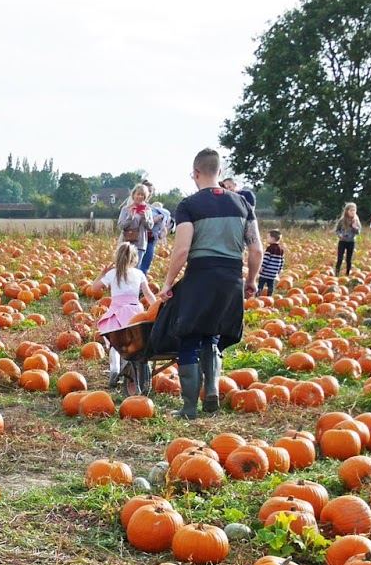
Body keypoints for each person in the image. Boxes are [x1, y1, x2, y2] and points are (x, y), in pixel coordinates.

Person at [154, 148, 261, 419]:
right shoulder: (243, 205)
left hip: (201, 275)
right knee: (212, 334)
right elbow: (257, 249)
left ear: (196, 173)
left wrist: (167, 283)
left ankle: (189, 408)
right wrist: (251, 281)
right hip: (231, 278)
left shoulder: (189, 205)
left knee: (189, 337)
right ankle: (211, 388)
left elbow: (181, 250)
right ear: (220, 173)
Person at [96, 239, 158, 386]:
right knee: (134, 343)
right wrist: (157, 308)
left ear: (117, 257)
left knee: (115, 343)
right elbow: (148, 294)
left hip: (117, 312)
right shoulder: (139, 273)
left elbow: (93, 289)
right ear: (135, 259)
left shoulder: (112, 274)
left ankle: (115, 369)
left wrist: (101, 274)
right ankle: (127, 366)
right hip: (135, 313)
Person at [117, 184, 155, 263]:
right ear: (133, 195)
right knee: (123, 267)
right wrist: (130, 218)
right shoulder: (126, 209)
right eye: (138, 194)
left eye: (142, 195)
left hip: (140, 243)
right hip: (126, 243)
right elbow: (120, 226)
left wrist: (145, 218)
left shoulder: (147, 210)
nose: (140, 197)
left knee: (136, 268)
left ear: (145, 197)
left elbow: (150, 227)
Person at [143, 198, 171, 274]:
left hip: (151, 239)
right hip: (142, 239)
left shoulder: (162, 216)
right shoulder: (151, 214)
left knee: (146, 262)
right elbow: (150, 223)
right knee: (141, 262)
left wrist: (162, 235)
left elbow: (163, 229)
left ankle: (142, 278)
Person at [334, 203, 360, 275]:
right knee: (340, 258)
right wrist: (340, 235)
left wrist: (355, 227)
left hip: (351, 242)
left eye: (354, 210)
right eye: (351, 210)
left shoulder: (356, 220)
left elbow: (358, 232)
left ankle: (347, 274)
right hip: (342, 241)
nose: (353, 212)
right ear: (347, 211)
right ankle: (337, 273)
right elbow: (337, 230)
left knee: (348, 259)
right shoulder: (342, 220)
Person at [259, 229, 285, 295]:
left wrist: (261, 268)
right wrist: (279, 270)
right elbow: (282, 261)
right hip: (273, 273)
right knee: (270, 285)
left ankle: (258, 295)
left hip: (266, 271)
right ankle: (269, 296)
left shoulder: (269, 248)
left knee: (261, 284)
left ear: (273, 239)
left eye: (268, 238)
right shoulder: (281, 250)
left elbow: (266, 259)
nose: (266, 239)